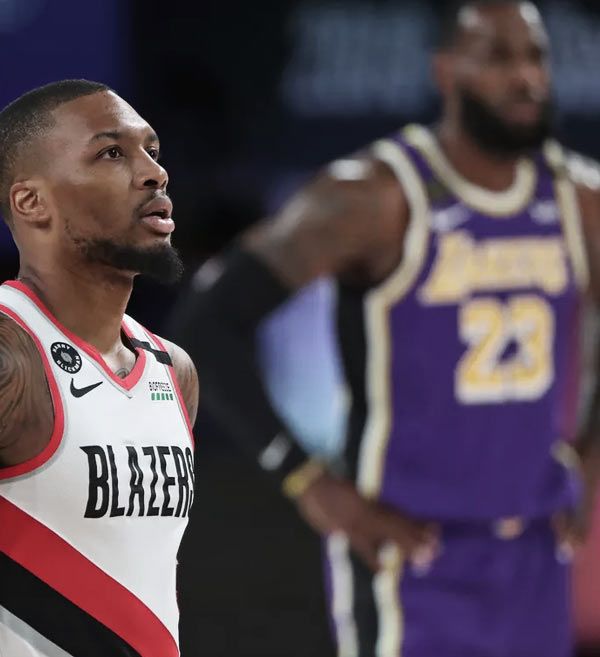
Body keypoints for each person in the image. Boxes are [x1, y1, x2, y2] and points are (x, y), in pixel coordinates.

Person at [170, 1, 600, 656]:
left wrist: (589, 454)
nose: (525, 77)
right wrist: (307, 480)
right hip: (411, 553)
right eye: (497, 56)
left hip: (535, 552)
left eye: (535, 56)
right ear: (445, 71)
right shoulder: (375, 196)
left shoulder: (578, 200)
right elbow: (209, 323)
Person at [0, 80, 198, 657]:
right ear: (31, 202)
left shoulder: (171, 370)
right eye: (112, 153)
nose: (154, 174)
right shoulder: (12, 357)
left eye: (152, 151)